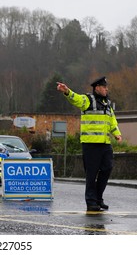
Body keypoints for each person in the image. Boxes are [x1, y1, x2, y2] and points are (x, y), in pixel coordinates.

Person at [56, 76, 122, 211]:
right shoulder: (87, 100)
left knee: (107, 168)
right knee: (91, 174)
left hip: (105, 143)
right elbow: (76, 99)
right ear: (97, 88)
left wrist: (116, 133)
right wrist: (67, 91)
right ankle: (91, 202)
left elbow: (112, 120)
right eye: (104, 87)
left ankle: (98, 198)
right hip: (90, 144)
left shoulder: (107, 103)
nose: (106, 89)